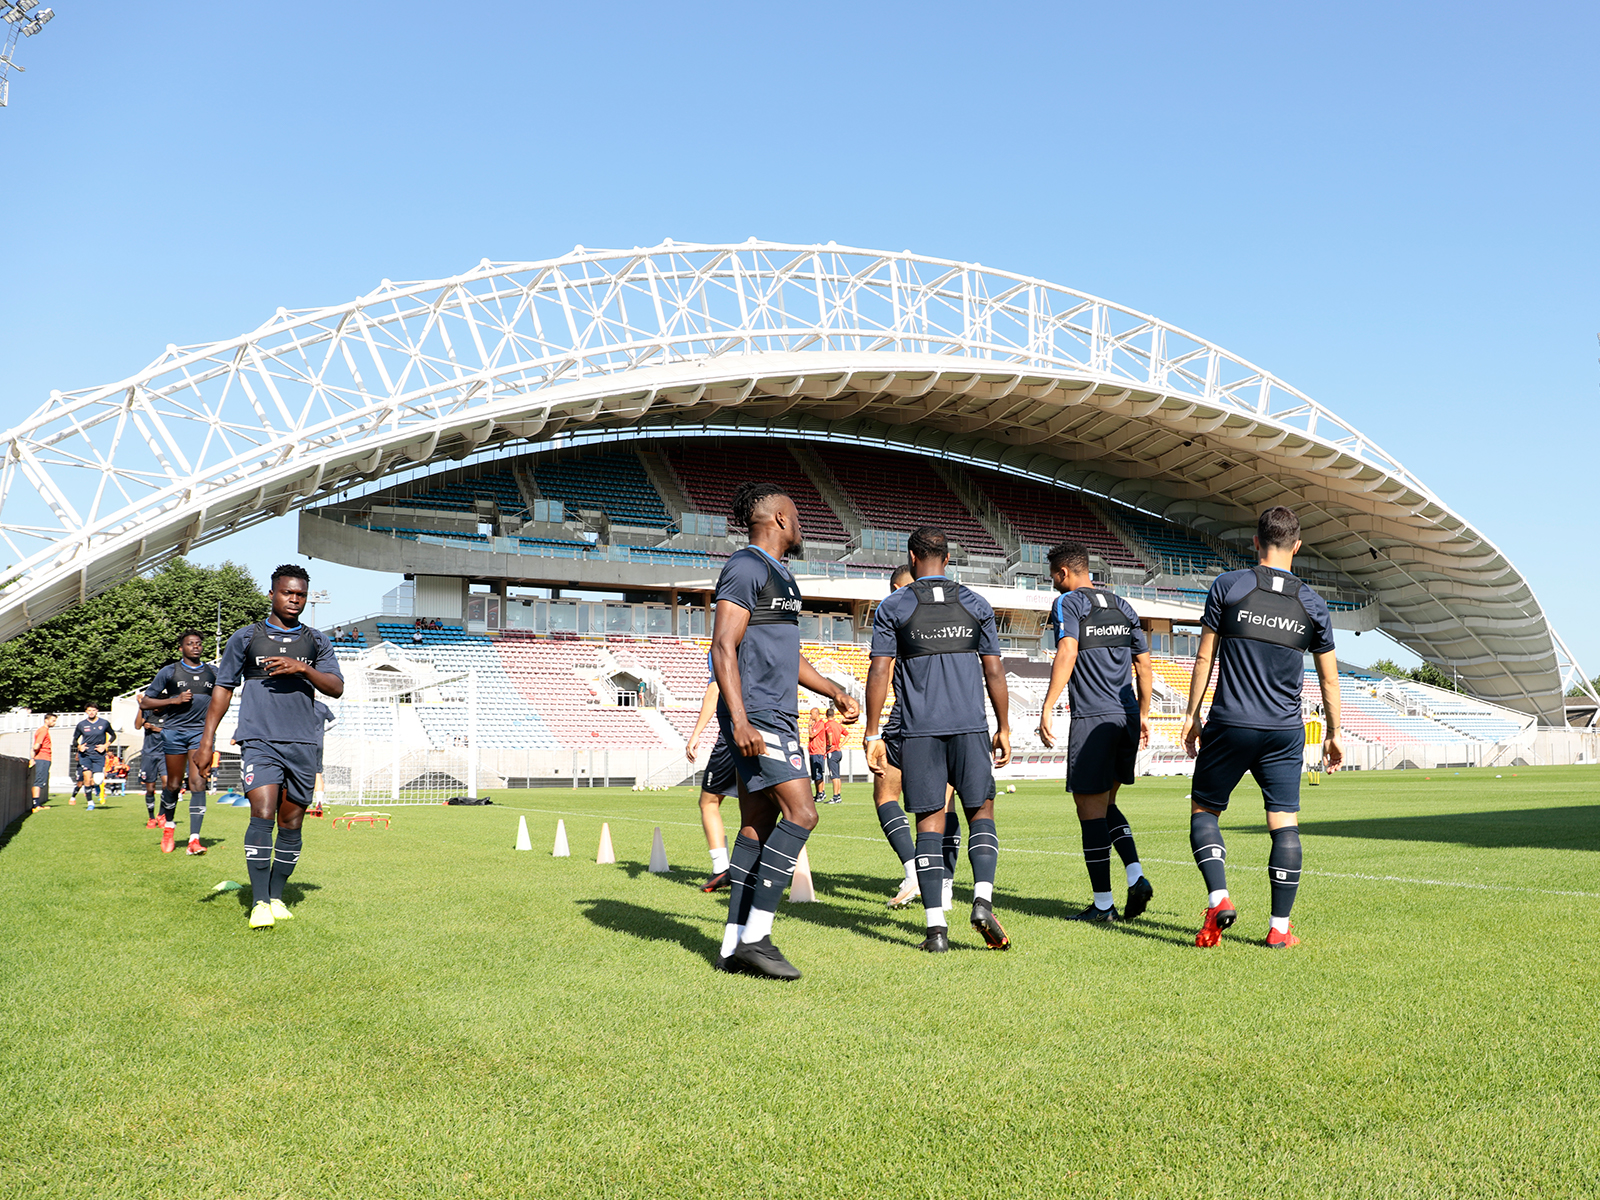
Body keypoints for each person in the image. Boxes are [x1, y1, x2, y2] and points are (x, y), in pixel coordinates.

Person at [713, 481, 859, 980]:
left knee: (757, 823)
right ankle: (758, 936)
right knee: (803, 812)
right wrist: (740, 720)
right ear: (777, 518)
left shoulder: (780, 576)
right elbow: (722, 646)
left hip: (774, 711)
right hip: (758, 715)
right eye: (795, 516)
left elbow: (786, 653)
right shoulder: (747, 566)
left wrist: (833, 691)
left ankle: (732, 943)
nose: (800, 525)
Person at [1181, 506, 1342, 949]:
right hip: (1284, 731)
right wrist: (1333, 733)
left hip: (1231, 722)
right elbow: (1329, 677)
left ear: (1255, 543)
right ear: (1297, 546)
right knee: (1284, 824)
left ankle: (1219, 899)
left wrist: (1192, 716)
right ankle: (1279, 930)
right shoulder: (1312, 603)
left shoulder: (1229, 587)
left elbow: (1203, 658)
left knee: (1205, 812)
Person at [864, 527, 1012, 953]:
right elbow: (995, 672)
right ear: (947, 559)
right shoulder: (975, 603)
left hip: (918, 730)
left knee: (929, 822)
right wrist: (1002, 726)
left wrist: (873, 732)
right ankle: (982, 900)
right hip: (970, 726)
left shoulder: (895, 605)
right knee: (981, 812)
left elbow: (879, 671)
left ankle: (936, 931)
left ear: (912, 557)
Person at [200, 564, 345, 929]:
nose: (294, 600)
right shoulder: (246, 638)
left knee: (292, 822)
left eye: (300, 595)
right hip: (259, 737)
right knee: (262, 813)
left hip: (302, 740)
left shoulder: (317, 641)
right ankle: (260, 902)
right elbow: (223, 688)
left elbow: (335, 687)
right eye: (287, 593)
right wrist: (207, 741)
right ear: (272, 594)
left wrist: (303, 669)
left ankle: (276, 894)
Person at [1037, 541, 1156, 922]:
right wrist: (1146, 715)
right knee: (1107, 806)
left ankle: (1103, 905)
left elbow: (1068, 652)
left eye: (1054, 576)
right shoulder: (1123, 606)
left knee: (1089, 812)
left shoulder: (1067, 604)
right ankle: (1135, 876)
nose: (1054, 582)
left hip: (1093, 719)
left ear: (1064, 573)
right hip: (1127, 717)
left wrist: (1048, 704)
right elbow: (1144, 666)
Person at [141, 630, 219, 856]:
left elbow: (224, 695)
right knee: (173, 785)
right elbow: (146, 702)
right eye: (190, 644)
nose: (195, 647)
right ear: (181, 648)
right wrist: (173, 700)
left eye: (198, 643)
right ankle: (169, 827)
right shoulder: (169, 671)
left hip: (200, 734)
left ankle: (194, 839)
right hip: (174, 733)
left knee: (198, 783)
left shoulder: (213, 672)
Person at [683, 666, 735, 891]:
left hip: (734, 733)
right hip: (768, 726)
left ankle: (721, 869)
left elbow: (714, 690)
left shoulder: (722, 642)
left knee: (708, 802)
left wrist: (696, 734)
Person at [72, 705, 114, 811]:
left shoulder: (104, 723)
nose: (91, 712)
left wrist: (105, 746)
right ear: (86, 711)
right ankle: (90, 803)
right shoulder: (81, 724)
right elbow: (74, 740)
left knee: (98, 780)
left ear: (97, 711)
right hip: (85, 755)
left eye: (93, 710)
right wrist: (79, 746)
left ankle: (98, 793)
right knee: (87, 778)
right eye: (89, 710)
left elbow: (113, 735)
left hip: (99, 755)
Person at [133, 710, 165, 827]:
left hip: (164, 754)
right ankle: (151, 817)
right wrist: (141, 707)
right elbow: (137, 726)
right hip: (148, 754)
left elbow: (174, 731)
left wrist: (154, 728)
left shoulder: (169, 714)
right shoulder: (147, 713)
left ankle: (162, 814)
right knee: (150, 788)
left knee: (167, 785)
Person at [28, 714, 56, 812]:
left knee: (40, 780)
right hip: (43, 758)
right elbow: (36, 745)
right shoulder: (43, 730)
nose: (54, 723)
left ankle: (37, 804)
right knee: (39, 781)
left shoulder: (43, 730)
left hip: (43, 758)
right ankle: (36, 805)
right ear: (46, 720)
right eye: (52, 720)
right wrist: (34, 755)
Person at [821, 704, 847, 804]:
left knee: (834, 776)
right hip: (838, 751)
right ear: (834, 715)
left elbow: (830, 733)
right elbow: (847, 735)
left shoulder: (828, 724)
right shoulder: (838, 724)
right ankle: (838, 795)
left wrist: (830, 744)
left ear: (826, 715)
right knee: (837, 775)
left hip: (832, 751)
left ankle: (835, 796)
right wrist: (841, 744)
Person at [805, 706, 828, 803]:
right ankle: (818, 793)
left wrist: (809, 726)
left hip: (818, 751)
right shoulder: (815, 724)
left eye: (811, 714)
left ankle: (821, 793)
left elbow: (811, 735)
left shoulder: (820, 724)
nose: (810, 716)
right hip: (813, 751)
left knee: (818, 774)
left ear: (816, 713)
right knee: (815, 774)